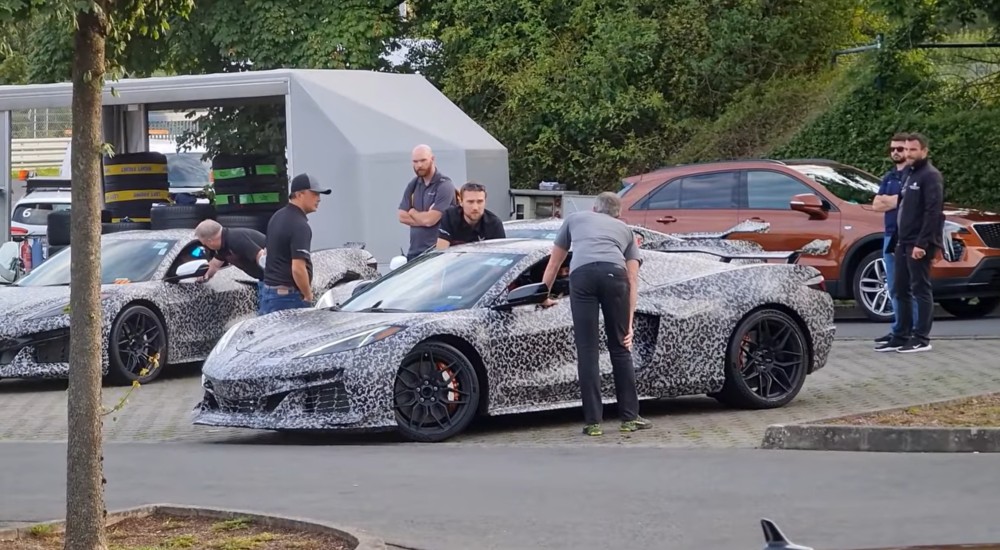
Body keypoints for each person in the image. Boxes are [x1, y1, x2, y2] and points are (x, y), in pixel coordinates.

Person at [540, 192, 650, 437]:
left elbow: (554, 263)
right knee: (620, 348)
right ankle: (630, 418)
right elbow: (632, 279)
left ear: (593, 209)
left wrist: (543, 296)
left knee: (587, 350)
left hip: (582, 277)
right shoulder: (626, 231)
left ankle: (593, 423)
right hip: (615, 276)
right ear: (618, 214)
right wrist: (628, 326)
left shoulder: (574, 219)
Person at [884, 133, 944, 353]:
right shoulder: (908, 174)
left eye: (912, 150)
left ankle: (921, 337)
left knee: (920, 287)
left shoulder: (930, 176)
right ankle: (901, 335)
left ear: (924, 151)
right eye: (906, 150)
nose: (907, 154)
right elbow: (901, 206)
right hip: (902, 240)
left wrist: (922, 243)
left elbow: (932, 212)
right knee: (900, 288)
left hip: (919, 242)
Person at [260, 173, 330, 315]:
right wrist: (308, 294)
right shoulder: (300, 225)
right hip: (287, 298)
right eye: (315, 194)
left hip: (269, 293)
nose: (319, 199)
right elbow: (298, 268)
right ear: (299, 194)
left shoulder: (277, 216)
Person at [872, 133, 917, 351]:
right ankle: (898, 329)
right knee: (894, 286)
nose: (896, 152)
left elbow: (913, 202)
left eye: (900, 148)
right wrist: (898, 200)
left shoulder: (915, 176)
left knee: (910, 285)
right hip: (890, 234)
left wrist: (894, 201)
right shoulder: (889, 177)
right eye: (893, 149)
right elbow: (876, 205)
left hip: (908, 235)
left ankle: (916, 331)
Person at [398, 144, 457, 260]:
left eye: (423, 160)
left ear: (432, 159)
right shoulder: (414, 184)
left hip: (436, 252)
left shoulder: (444, 185)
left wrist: (413, 212)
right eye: (415, 162)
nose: (419, 165)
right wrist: (424, 219)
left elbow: (430, 220)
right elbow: (401, 216)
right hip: (414, 252)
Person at [436, 181, 506, 249]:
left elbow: (501, 256)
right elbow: (441, 251)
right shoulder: (450, 216)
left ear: (485, 202)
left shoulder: (494, 224)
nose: (475, 207)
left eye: (480, 202)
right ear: (461, 202)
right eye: (470, 202)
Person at [193, 219, 266, 283]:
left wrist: (274, 280)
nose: (205, 246)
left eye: (205, 244)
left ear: (210, 241)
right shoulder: (222, 245)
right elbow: (215, 265)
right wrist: (204, 276)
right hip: (265, 280)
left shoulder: (236, 240)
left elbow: (262, 256)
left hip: (272, 280)